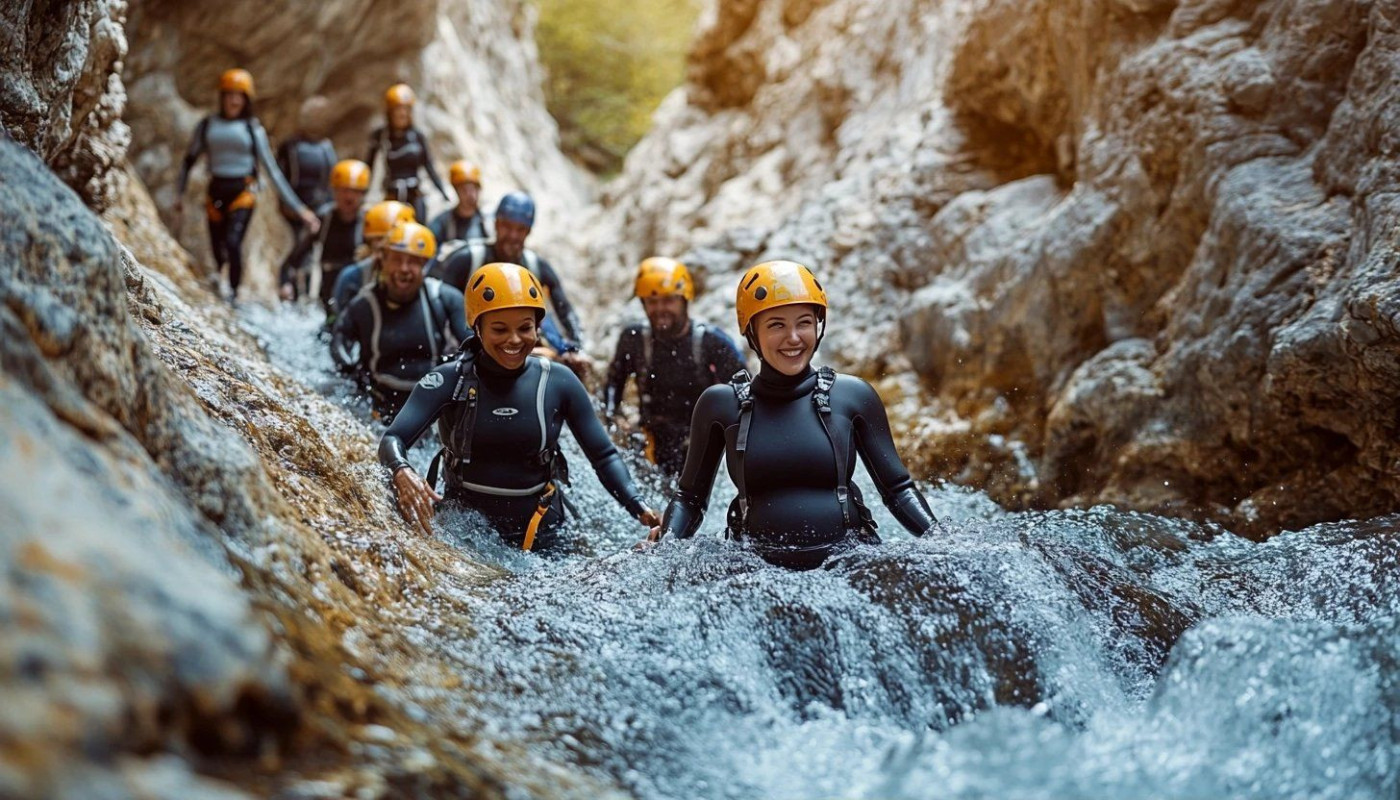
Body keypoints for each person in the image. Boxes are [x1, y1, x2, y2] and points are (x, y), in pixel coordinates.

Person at [645, 260, 942, 570]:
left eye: (804, 322)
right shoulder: (721, 405)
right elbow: (691, 499)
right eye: (776, 325)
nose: (794, 338)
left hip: (847, 565)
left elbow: (898, 491)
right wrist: (665, 546)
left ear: (818, 325)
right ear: (752, 332)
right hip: (759, 571)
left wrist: (940, 540)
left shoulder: (853, 396)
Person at [378, 263, 661, 551]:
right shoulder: (448, 380)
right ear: (477, 328)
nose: (514, 340)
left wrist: (637, 505)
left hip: (543, 529)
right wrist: (401, 470)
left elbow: (603, 455)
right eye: (499, 329)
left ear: (537, 328)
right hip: (466, 529)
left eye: (525, 328)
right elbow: (393, 438)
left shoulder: (558, 381)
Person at [176, 68, 319, 301]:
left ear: (246, 100)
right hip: (216, 191)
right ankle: (221, 283)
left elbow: (273, 171)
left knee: (233, 242)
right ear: (222, 97)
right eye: (229, 95)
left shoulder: (253, 129)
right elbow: (189, 160)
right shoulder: (207, 126)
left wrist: (300, 209)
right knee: (218, 246)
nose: (234, 100)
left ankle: (233, 292)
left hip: (243, 191)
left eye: (239, 95)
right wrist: (180, 194)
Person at [604, 257, 746, 475]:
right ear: (643, 304)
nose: (660, 309)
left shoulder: (712, 341)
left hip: (702, 443)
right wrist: (614, 419)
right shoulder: (633, 339)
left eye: (669, 300)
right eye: (652, 302)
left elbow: (744, 393)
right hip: (652, 440)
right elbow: (614, 382)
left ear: (684, 300)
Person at [331, 222, 468, 420]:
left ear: (424, 265)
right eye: (397, 259)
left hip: (432, 409)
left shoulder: (444, 298)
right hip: (378, 407)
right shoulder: (365, 304)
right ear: (383, 261)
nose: (404, 268)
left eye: (413, 261)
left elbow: (471, 341)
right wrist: (348, 367)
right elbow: (340, 339)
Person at [431, 192, 587, 363]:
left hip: (517, 346)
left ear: (528, 232)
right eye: (507, 226)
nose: (513, 235)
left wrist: (577, 348)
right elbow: (442, 309)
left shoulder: (536, 266)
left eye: (520, 229)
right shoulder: (467, 259)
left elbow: (564, 309)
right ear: (496, 224)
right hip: (467, 346)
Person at [280, 159, 369, 307]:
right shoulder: (324, 219)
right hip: (328, 291)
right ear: (334, 191)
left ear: (363, 194)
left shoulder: (368, 223)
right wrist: (286, 283)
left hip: (357, 292)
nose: (348, 196)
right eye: (343, 190)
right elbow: (296, 256)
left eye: (354, 191)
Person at [365, 83, 449, 223]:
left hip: (414, 195)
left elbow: (429, 166)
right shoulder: (381, 136)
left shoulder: (417, 136)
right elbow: (369, 167)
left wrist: (443, 193)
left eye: (406, 109)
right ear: (390, 112)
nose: (402, 113)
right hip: (392, 195)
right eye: (398, 109)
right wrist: (362, 194)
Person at [328, 200, 415, 324]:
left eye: (393, 242)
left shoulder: (420, 277)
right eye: (379, 239)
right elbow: (337, 324)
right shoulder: (352, 277)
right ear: (371, 242)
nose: (385, 246)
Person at [276, 95, 338, 266]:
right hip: (293, 208)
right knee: (293, 248)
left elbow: (332, 180)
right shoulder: (290, 146)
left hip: (321, 207)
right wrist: (292, 206)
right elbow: (280, 179)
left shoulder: (326, 147)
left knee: (313, 254)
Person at [429, 160, 493, 245]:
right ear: (456, 191)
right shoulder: (443, 223)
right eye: (464, 190)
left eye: (473, 188)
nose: (470, 194)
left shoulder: (488, 221)